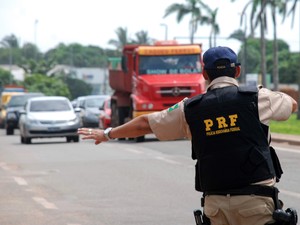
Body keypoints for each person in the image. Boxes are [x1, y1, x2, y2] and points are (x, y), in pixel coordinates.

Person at [78, 46, 298, 225]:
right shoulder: (258, 98)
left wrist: (107, 133)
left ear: (205, 73)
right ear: (237, 71)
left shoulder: (189, 108)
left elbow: (145, 123)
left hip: (216, 205)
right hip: (257, 204)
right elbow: (292, 105)